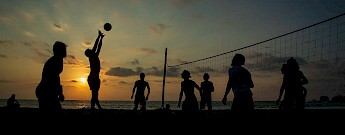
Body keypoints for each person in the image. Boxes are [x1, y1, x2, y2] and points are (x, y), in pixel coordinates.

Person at [35, 41, 66, 111]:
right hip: (45, 91)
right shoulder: (56, 60)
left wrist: (59, 92)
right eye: (64, 49)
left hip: (47, 90)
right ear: (59, 50)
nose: (65, 51)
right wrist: (60, 93)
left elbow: (56, 77)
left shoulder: (58, 59)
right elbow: (55, 78)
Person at [85, 30, 105, 110]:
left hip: (95, 78)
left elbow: (99, 46)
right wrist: (99, 37)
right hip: (93, 78)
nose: (91, 49)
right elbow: (96, 45)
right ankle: (95, 108)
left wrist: (101, 38)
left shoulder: (95, 55)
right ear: (89, 53)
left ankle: (96, 108)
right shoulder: (92, 56)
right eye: (89, 50)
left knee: (95, 94)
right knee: (94, 94)